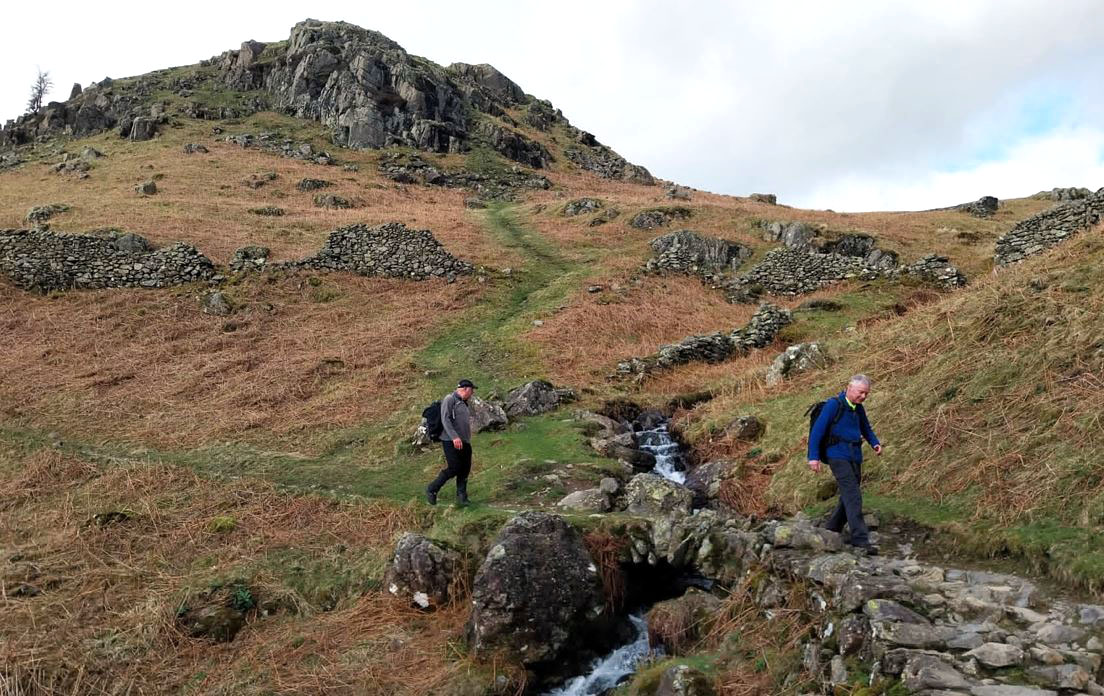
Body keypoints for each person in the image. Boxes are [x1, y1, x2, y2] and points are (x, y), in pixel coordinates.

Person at [808, 374, 884, 554]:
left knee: (848, 495)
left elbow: (866, 427)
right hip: (836, 455)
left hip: (854, 455)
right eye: (861, 392)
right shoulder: (833, 405)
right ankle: (860, 540)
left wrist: (875, 442)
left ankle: (832, 528)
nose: (863, 396)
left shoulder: (859, 408)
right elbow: (817, 431)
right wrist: (813, 457)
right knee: (853, 495)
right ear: (849, 388)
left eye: (866, 394)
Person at [426, 379, 476, 506]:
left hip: (465, 441)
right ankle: (432, 489)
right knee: (454, 467)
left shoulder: (464, 403)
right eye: (471, 390)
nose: (472, 393)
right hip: (450, 440)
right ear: (465, 389)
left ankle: (462, 497)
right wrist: (454, 437)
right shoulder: (450, 399)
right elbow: (445, 419)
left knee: (465, 468)